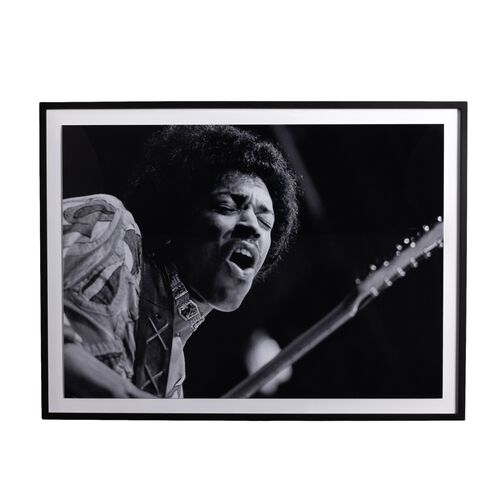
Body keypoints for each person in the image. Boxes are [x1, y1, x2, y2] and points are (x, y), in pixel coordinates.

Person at [62, 125, 299, 398]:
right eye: (226, 207)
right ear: (179, 216)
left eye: (265, 222)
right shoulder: (109, 222)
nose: (253, 226)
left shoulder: (174, 378)